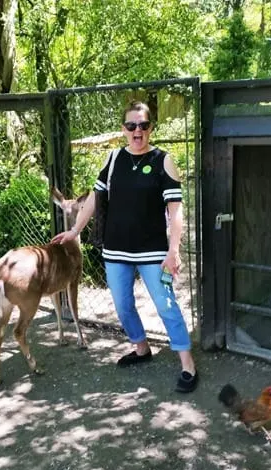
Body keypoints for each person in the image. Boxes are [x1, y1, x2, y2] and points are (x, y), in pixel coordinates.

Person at [51, 100, 198, 393]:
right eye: (131, 126)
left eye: (143, 125)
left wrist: (173, 250)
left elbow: (175, 211)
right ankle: (142, 348)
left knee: (166, 306)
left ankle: (188, 365)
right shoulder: (113, 159)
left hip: (153, 252)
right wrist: (75, 230)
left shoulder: (163, 161)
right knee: (123, 306)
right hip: (116, 251)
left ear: (150, 128)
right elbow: (95, 198)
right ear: (124, 129)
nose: (137, 131)